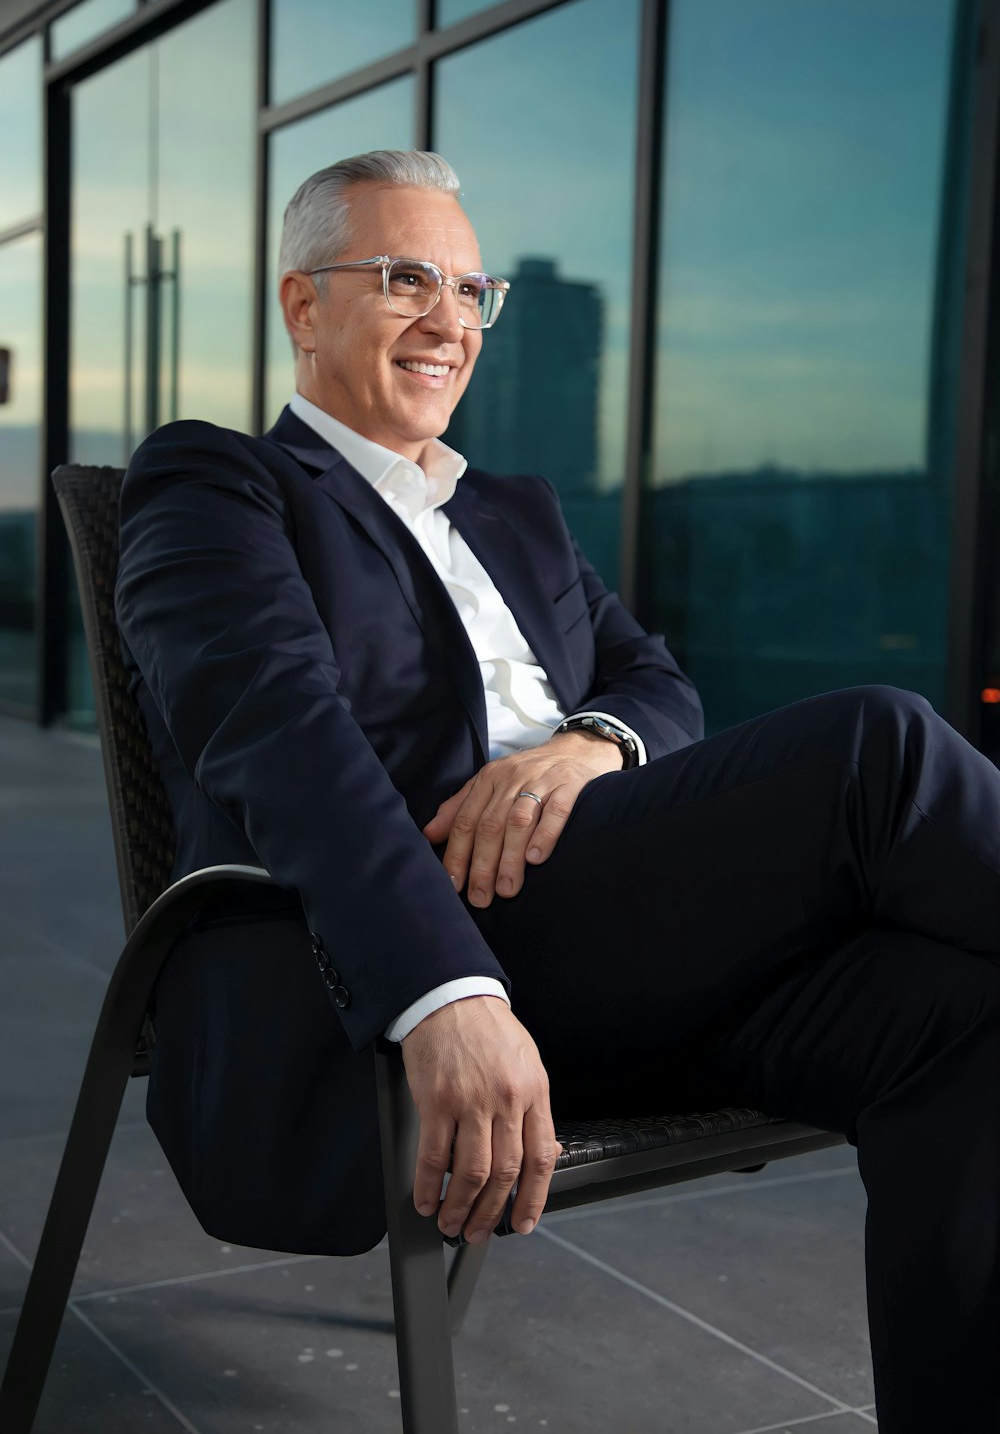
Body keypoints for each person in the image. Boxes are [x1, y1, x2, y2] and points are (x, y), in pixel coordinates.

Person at [116, 150, 1000, 1432]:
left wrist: (586, 744)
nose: (450, 320)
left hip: (625, 938)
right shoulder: (217, 483)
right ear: (304, 307)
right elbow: (278, 738)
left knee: (963, 1011)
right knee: (879, 748)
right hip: (419, 947)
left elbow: (654, 680)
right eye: (406, 278)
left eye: (474, 291)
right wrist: (446, 992)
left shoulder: (516, 512)